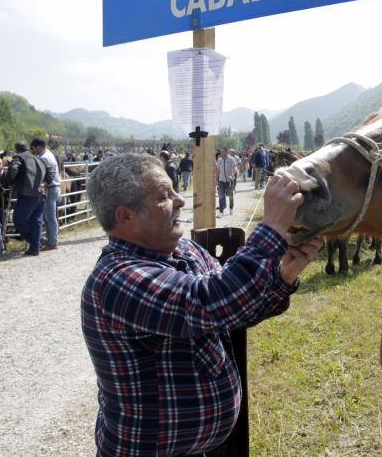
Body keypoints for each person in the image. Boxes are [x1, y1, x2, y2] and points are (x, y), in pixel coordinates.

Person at [82, 153, 322, 456]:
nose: (180, 201)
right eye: (163, 196)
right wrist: (271, 227)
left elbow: (233, 311)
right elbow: (209, 302)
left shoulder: (184, 250)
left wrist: (281, 277)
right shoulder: (116, 278)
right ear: (125, 216)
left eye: (173, 190)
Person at [7, 142, 52, 256]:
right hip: (41, 194)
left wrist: (10, 182)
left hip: (27, 195)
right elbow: (50, 175)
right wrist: (44, 183)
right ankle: (35, 247)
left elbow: (13, 170)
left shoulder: (19, 157)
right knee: (36, 222)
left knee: (18, 220)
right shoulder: (40, 159)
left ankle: (35, 243)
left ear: (17, 149)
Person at [31, 138, 62, 251]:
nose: (34, 150)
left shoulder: (44, 158)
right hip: (54, 187)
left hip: (50, 187)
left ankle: (52, 242)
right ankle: (51, 240)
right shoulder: (49, 154)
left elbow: (43, 175)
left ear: (39, 146)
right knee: (50, 215)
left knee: (50, 216)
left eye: (34, 148)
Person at [216, 148, 238, 216]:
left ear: (226, 152)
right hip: (221, 181)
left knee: (230, 196)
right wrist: (216, 180)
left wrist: (232, 175)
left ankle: (231, 208)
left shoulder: (231, 159)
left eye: (222, 152)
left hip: (229, 181)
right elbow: (218, 171)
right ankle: (221, 211)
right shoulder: (219, 160)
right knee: (221, 196)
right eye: (221, 152)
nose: (221, 153)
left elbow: (235, 168)